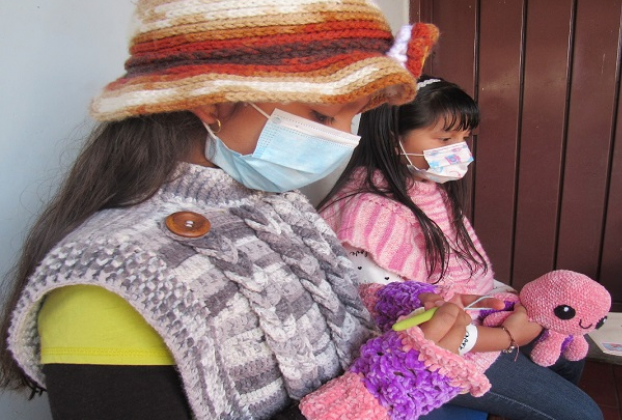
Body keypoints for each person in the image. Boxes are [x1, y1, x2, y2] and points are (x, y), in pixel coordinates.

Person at [0, 2, 500, 419]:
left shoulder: (276, 208)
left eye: (354, 117)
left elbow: (292, 316)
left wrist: (383, 303)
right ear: (214, 102)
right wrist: (379, 396)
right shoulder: (112, 275)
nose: (343, 140)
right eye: (323, 115)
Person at [318, 76, 604, 420]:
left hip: (473, 322)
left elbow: (464, 273)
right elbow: (400, 321)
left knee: (568, 346)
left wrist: (513, 300)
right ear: (394, 140)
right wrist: (507, 337)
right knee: (583, 414)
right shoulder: (367, 213)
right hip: (425, 352)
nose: (461, 150)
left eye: (465, 137)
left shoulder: (426, 188)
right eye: (445, 138)